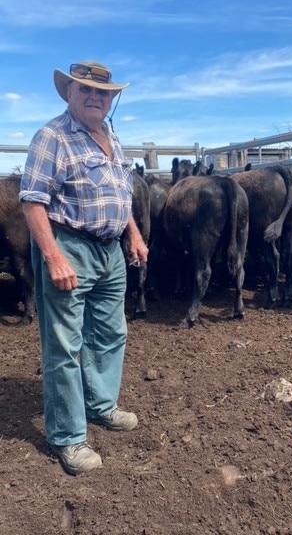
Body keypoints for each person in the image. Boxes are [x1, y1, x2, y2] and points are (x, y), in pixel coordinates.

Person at [19, 61, 149, 476]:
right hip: (70, 246)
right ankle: (68, 438)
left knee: (111, 333)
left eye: (103, 92)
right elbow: (32, 201)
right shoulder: (52, 136)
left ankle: (100, 405)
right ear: (69, 93)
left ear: (112, 99)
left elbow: (120, 192)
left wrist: (134, 233)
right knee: (65, 345)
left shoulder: (110, 136)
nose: (95, 97)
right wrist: (54, 256)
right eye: (86, 90)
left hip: (111, 251)